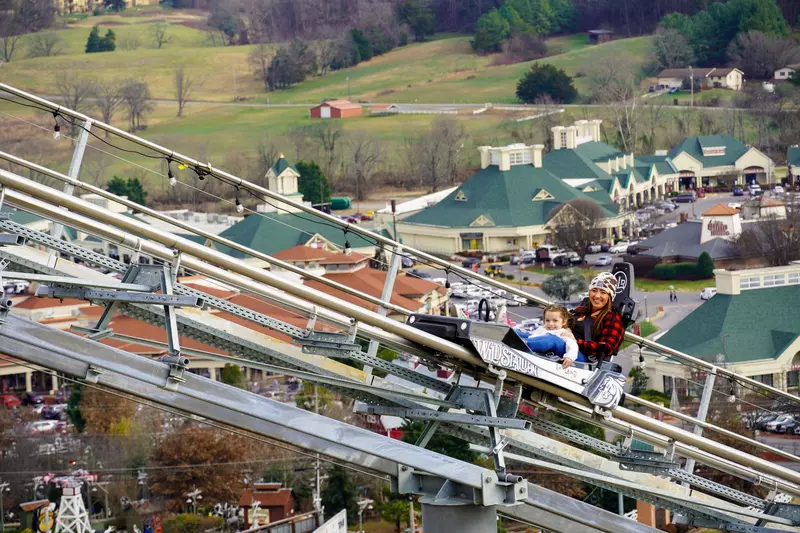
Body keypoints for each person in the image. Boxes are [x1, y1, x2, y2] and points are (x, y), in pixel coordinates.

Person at [570, 272, 625, 365]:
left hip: (586, 360)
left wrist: (575, 342)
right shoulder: (580, 310)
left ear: (609, 297)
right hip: (567, 348)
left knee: (555, 342)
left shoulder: (613, 319)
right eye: (594, 290)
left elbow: (605, 349)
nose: (597, 296)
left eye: (603, 292)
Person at [519, 305, 580, 369]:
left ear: (564, 322)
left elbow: (573, 345)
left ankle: (522, 343)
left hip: (551, 348)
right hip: (535, 349)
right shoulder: (542, 329)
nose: (550, 324)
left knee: (548, 338)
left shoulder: (562, 332)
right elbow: (533, 337)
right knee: (524, 334)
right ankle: (515, 337)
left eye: (555, 321)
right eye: (547, 320)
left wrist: (569, 357)